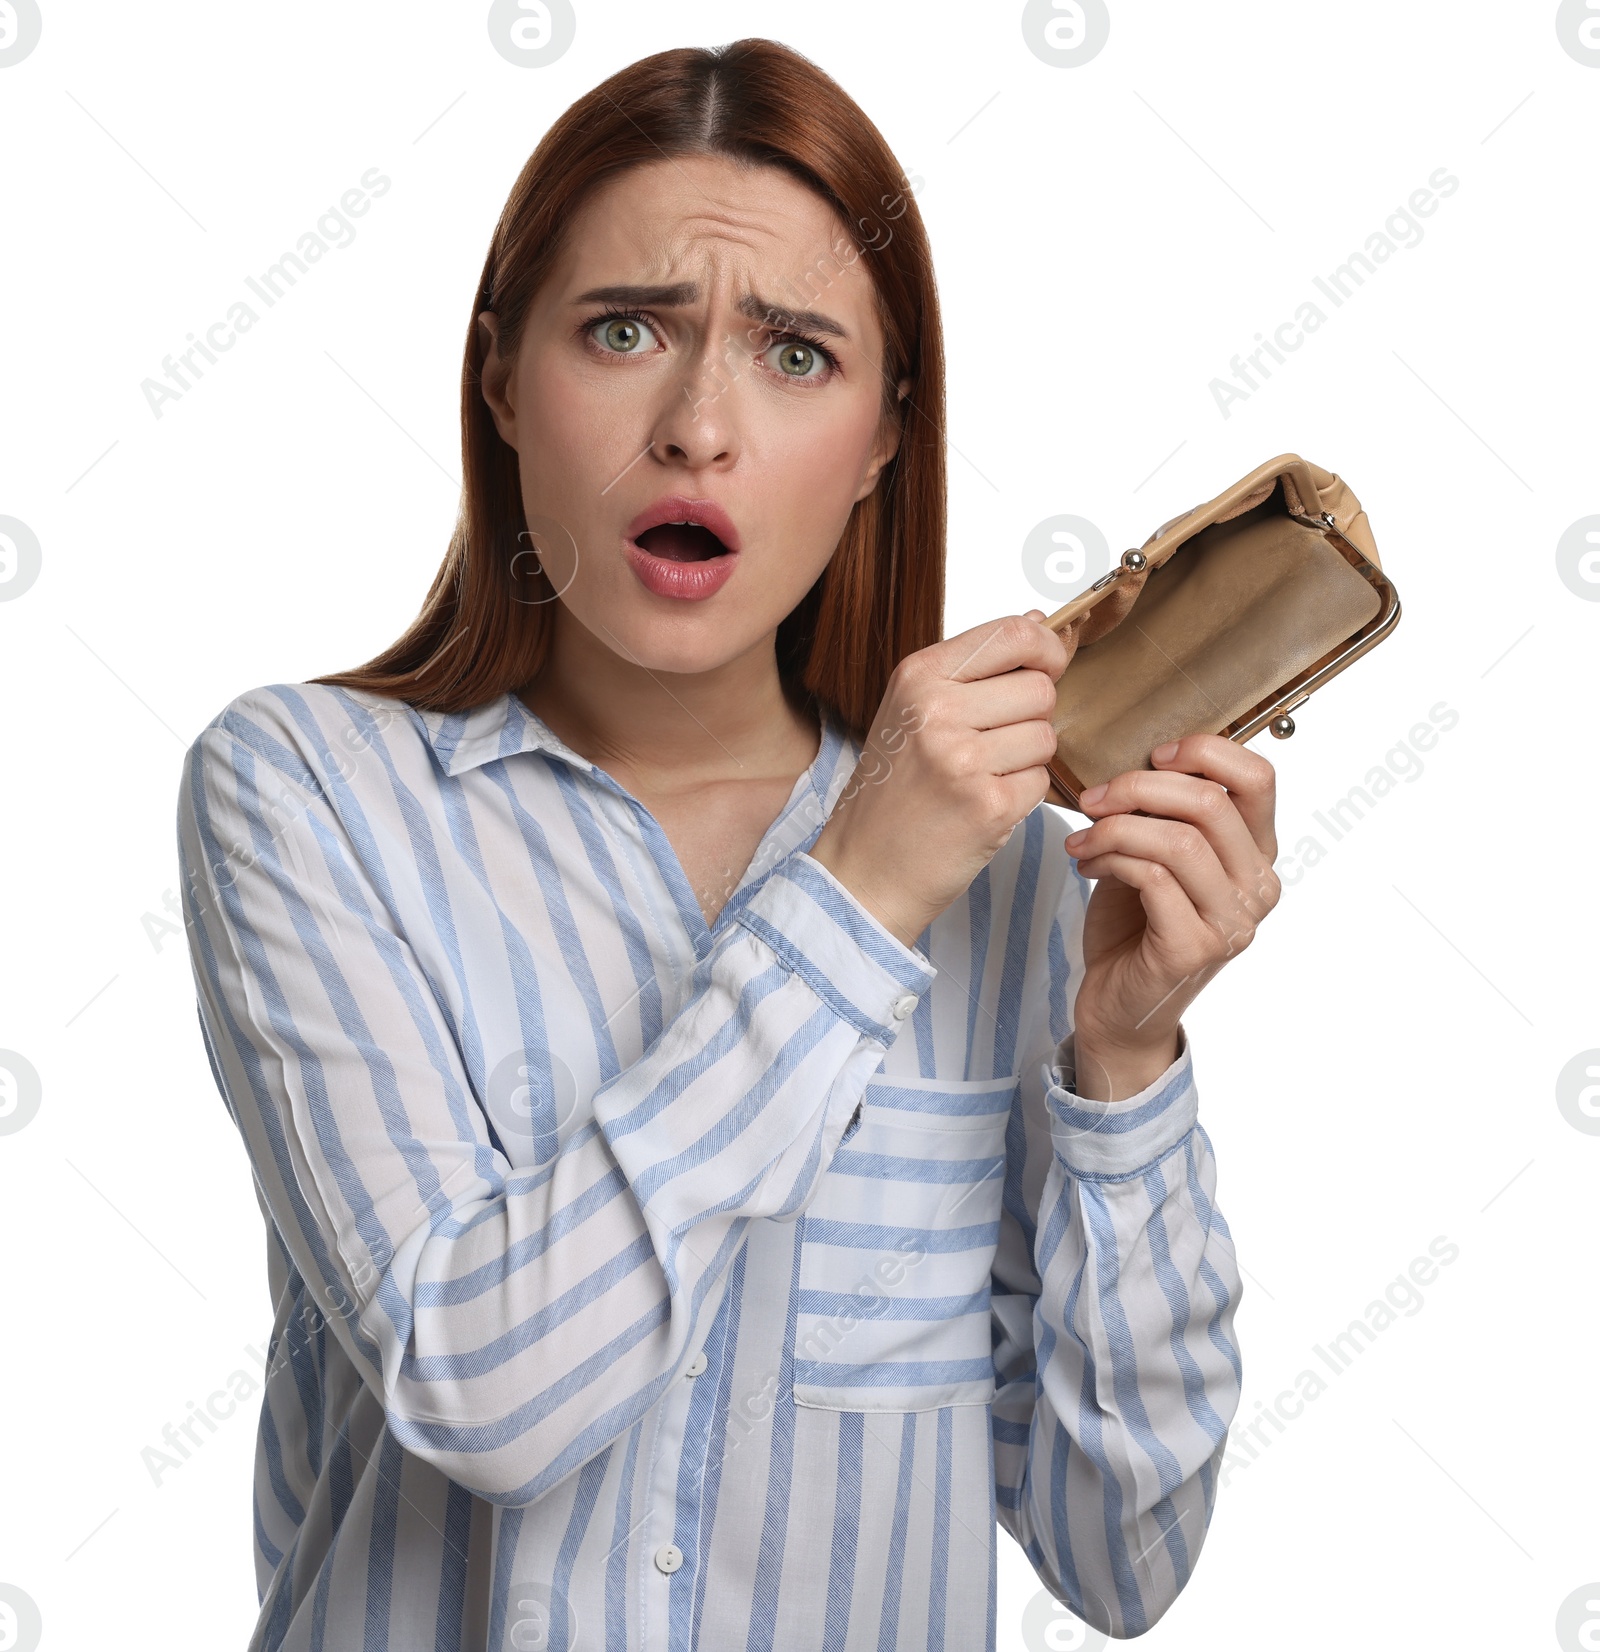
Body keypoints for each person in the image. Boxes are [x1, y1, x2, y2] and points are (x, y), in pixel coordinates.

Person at [175, 37, 1278, 1652]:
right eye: (625, 331)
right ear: (499, 377)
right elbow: (482, 1386)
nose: (698, 426)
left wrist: (1126, 1062)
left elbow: (1123, 1563)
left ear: (888, 435)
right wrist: (860, 895)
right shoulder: (305, 794)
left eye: (797, 354)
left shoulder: (1015, 874)